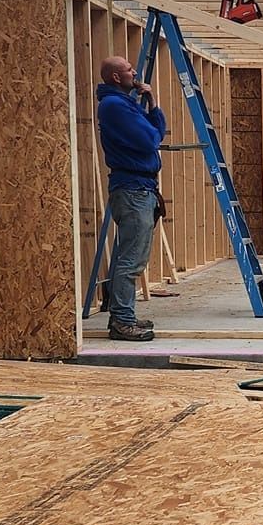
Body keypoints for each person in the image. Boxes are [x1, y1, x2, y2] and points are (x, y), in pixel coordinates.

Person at [96, 56, 167, 341]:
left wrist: (151, 102)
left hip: (139, 188)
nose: (134, 72)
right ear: (116, 77)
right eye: (128, 69)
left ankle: (122, 315)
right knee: (131, 261)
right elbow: (152, 140)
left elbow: (155, 132)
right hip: (133, 190)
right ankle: (122, 322)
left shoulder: (124, 104)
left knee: (128, 257)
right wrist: (150, 118)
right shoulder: (114, 106)